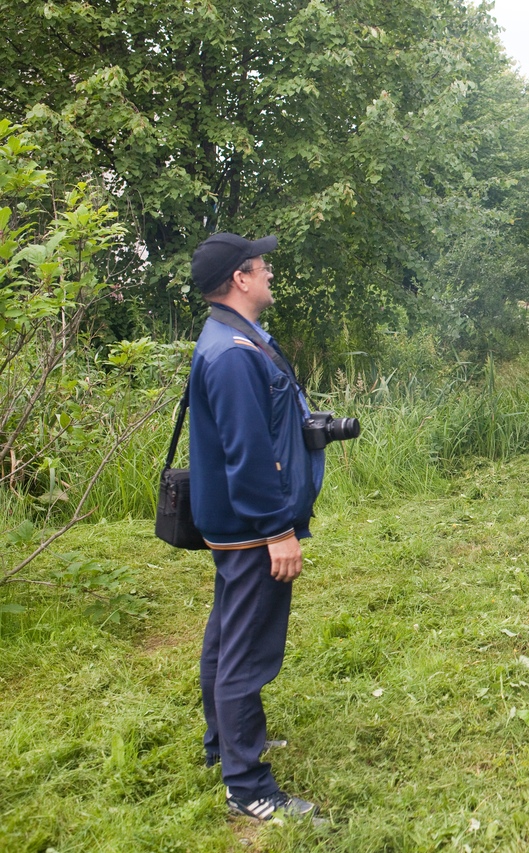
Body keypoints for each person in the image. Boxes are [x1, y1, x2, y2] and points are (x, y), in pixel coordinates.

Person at [188, 232, 325, 822]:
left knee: (227, 634)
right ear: (240, 279)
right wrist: (278, 530)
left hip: (234, 523)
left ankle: (226, 743)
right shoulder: (235, 353)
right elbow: (247, 453)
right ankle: (248, 787)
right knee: (248, 650)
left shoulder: (232, 337)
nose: (269, 271)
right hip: (252, 528)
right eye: (261, 264)